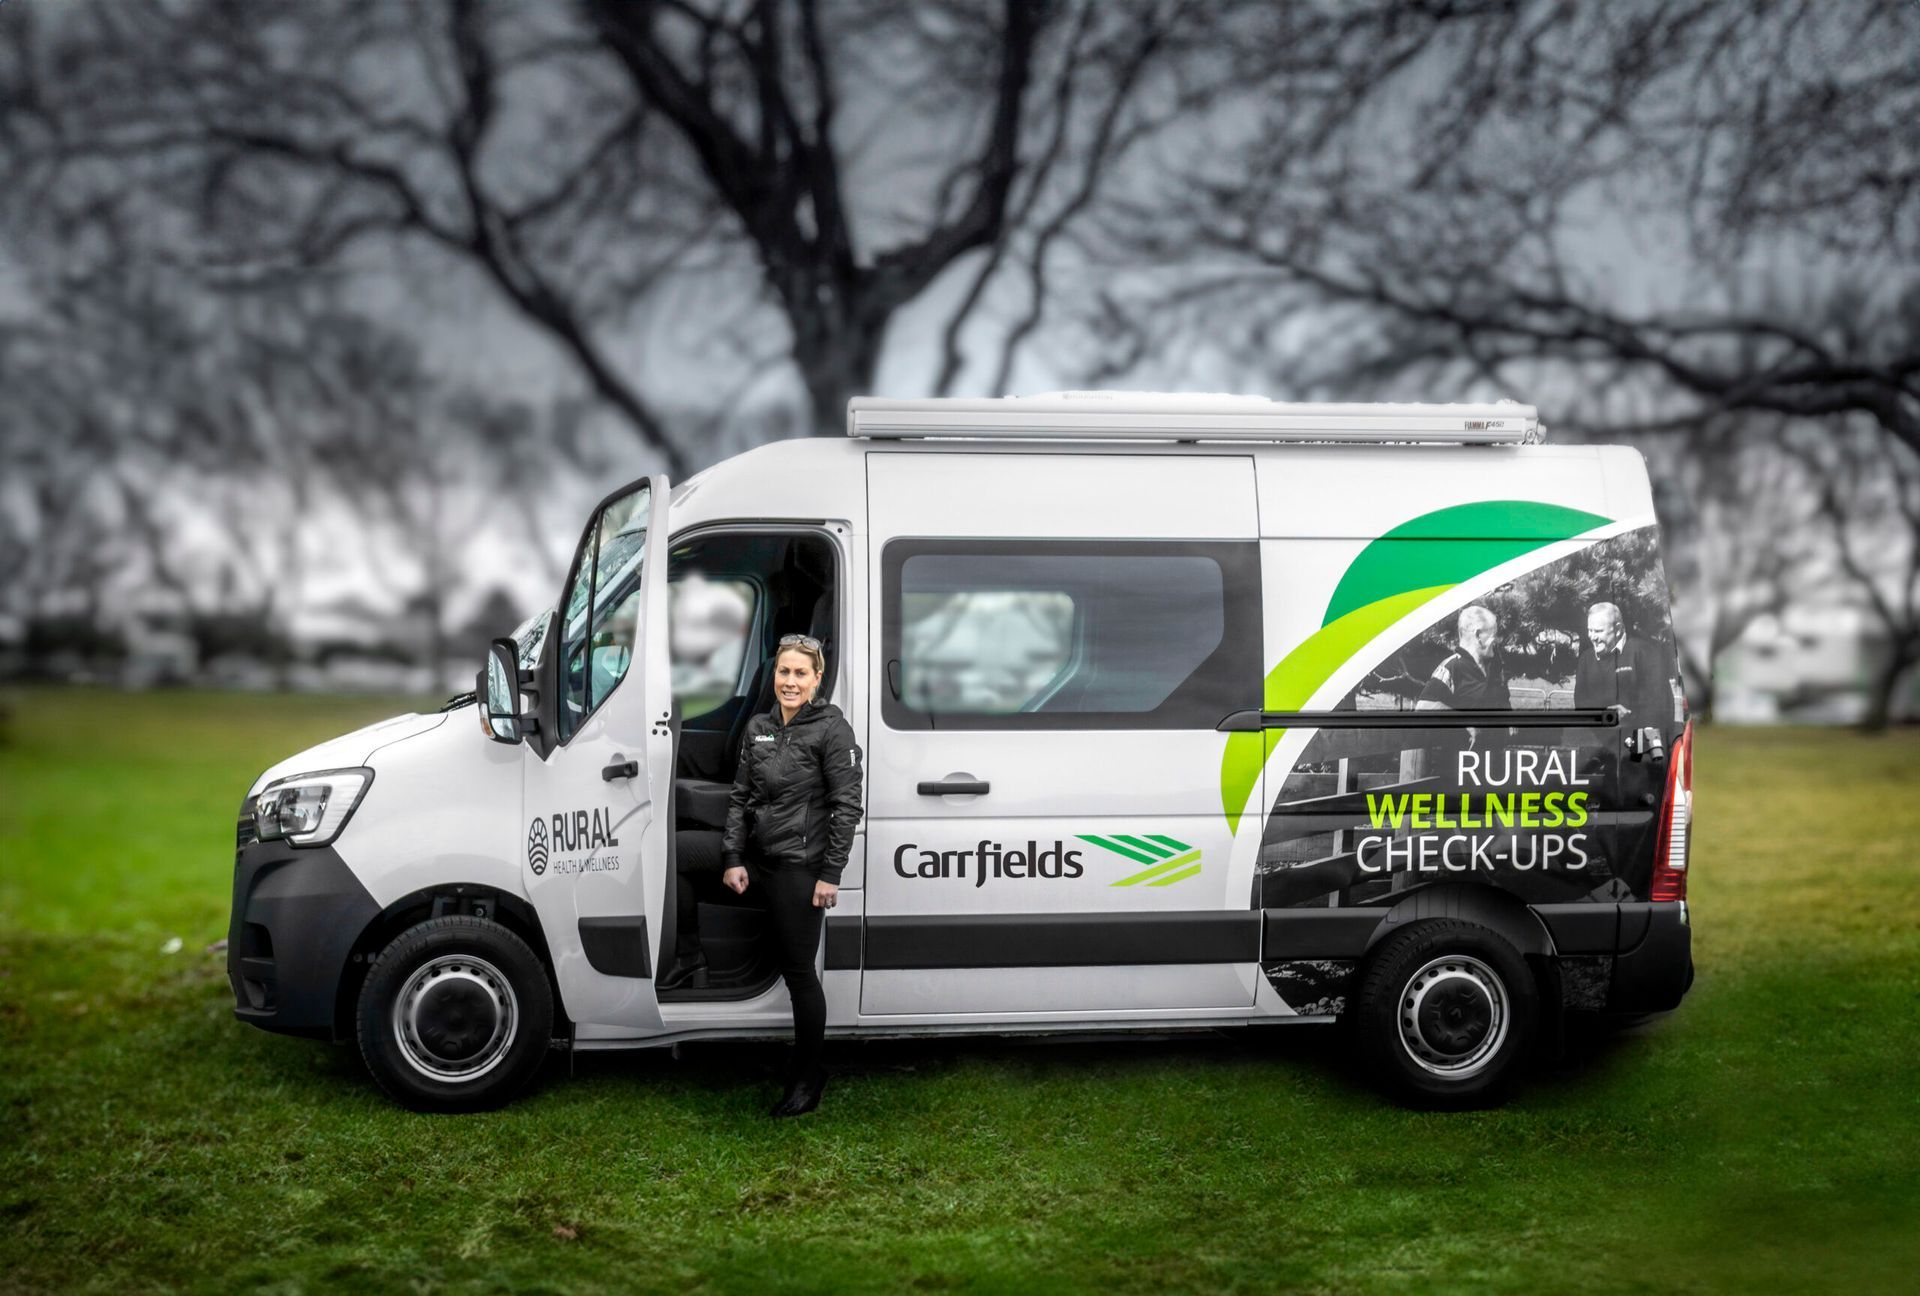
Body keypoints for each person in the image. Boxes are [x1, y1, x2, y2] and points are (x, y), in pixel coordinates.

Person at [667, 632, 863, 1117]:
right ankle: (689, 956)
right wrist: (732, 857)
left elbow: (846, 806)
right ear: (773, 675)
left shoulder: (832, 730)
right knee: (675, 854)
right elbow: (740, 798)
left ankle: (808, 1073)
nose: (790, 681)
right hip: (757, 855)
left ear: (818, 679)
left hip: (800, 866)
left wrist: (830, 875)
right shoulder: (760, 726)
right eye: (783, 672)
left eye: (800, 673)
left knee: (799, 973)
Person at [1573, 601, 1669, 726]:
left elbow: (1660, 701)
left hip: (1636, 738)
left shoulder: (1644, 652)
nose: (1592, 637)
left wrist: (1629, 715)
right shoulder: (1586, 659)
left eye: (1598, 631)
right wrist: (1604, 714)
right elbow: (1580, 703)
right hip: (1596, 739)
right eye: (1589, 630)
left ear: (1618, 629)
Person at [1417, 605, 1511, 710]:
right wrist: (1463, 722)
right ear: (1478, 635)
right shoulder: (1451, 668)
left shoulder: (1495, 667)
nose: (1497, 640)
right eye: (1494, 634)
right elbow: (1423, 707)